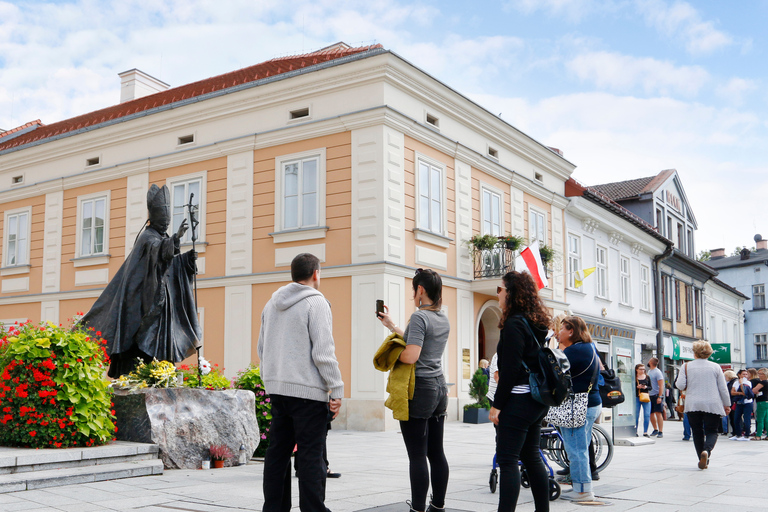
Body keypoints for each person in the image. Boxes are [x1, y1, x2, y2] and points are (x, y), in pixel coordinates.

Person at [81, 184, 201, 378]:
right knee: (144, 334)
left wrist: (186, 259)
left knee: (161, 334)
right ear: (153, 219)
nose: (165, 226)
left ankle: (160, 369)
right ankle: (144, 369)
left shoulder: (161, 236)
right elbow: (157, 252)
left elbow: (168, 262)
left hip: (162, 300)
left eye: (167, 222)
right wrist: (176, 239)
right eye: (162, 222)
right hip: (144, 301)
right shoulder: (147, 237)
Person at [258, 253, 344, 512]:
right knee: (309, 456)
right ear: (316, 273)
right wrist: (336, 388)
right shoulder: (317, 303)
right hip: (308, 393)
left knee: (277, 454)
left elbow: (263, 349)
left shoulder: (271, 304)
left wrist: (271, 382)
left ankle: (273, 509)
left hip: (278, 390)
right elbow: (323, 352)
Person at [377, 268, 450, 512]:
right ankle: (437, 506)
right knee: (436, 452)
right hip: (439, 387)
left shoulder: (419, 317)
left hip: (420, 389)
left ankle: (417, 508)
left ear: (420, 290)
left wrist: (390, 354)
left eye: (414, 289)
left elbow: (411, 354)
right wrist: (392, 326)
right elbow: (416, 341)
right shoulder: (442, 317)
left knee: (417, 455)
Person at [487, 271, 552, 512]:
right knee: (531, 456)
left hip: (519, 400)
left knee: (507, 460)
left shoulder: (515, 324)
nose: (498, 294)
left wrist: (497, 405)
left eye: (500, 289)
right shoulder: (534, 322)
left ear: (511, 293)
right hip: (535, 401)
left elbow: (510, 371)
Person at [555, 315, 602, 504]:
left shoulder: (574, 351)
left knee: (576, 449)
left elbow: (552, 370)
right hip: (591, 403)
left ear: (571, 331)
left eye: (561, 329)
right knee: (580, 446)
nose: (558, 333)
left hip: (579, 405)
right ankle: (581, 486)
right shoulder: (589, 347)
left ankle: (583, 490)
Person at [674, 341, 731, 469]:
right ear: (709, 353)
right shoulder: (715, 366)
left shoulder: (686, 366)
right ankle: (707, 451)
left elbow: (681, 385)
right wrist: (727, 404)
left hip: (693, 403)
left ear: (694, 352)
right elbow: (723, 388)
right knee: (712, 431)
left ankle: (701, 456)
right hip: (712, 403)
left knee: (697, 431)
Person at [730, 369, 753, 441]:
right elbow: (732, 392)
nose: (745, 376)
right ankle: (738, 434)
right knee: (736, 419)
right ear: (739, 375)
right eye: (743, 374)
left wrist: (741, 384)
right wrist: (739, 393)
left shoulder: (748, 383)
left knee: (747, 419)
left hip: (747, 403)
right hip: (739, 403)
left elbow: (745, 392)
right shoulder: (735, 383)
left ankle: (747, 435)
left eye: (746, 374)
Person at [647, 357, 665, 438]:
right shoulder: (649, 371)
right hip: (649, 395)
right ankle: (655, 429)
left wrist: (660, 396)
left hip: (656, 395)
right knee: (650, 413)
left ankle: (661, 431)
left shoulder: (658, 372)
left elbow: (661, 385)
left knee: (658, 413)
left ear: (651, 362)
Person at [635, 363, 652, 437]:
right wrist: (637, 387)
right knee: (636, 415)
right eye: (640, 369)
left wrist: (645, 387)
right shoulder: (635, 377)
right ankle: (635, 431)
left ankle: (645, 432)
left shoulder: (647, 377)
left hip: (646, 397)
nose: (642, 371)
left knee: (647, 415)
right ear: (636, 369)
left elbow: (651, 387)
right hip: (637, 397)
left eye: (643, 369)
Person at [753, 368, 768, 440]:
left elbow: (754, 390)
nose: (759, 375)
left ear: (765, 374)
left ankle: (758, 435)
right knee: (766, 419)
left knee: (760, 419)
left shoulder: (763, 382)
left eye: (760, 374)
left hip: (761, 401)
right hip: (767, 402)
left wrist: (755, 391)